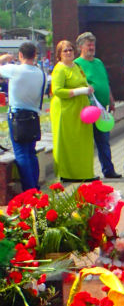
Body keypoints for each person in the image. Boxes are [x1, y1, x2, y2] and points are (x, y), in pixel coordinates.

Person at [49, 39, 97, 183]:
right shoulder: (59, 69)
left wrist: (88, 88)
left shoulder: (77, 66)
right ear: (59, 54)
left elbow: (82, 81)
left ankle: (84, 172)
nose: (69, 52)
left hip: (81, 110)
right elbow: (57, 90)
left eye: (70, 49)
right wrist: (79, 91)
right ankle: (67, 174)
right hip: (66, 111)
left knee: (83, 142)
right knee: (68, 142)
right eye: (65, 50)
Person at [0, 42, 46, 192]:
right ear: (35, 55)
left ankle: (29, 189)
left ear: (20, 55)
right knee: (31, 153)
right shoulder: (41, 73)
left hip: (17, 116)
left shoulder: (14, 70)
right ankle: (35, 187)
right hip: (33, 116)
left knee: (21, 154)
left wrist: (4, 58)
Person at [74, 32, 119, 179]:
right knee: (87, 143)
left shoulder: (98, 62)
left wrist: (111, 99)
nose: (92, 48)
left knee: (104, 141)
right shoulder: (77, 64)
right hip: (87, 110)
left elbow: (105, 82)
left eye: (93, 45)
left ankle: (108, 170)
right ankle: (85, 171)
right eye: (89, 45)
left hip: (102, 109)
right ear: (80, 47)